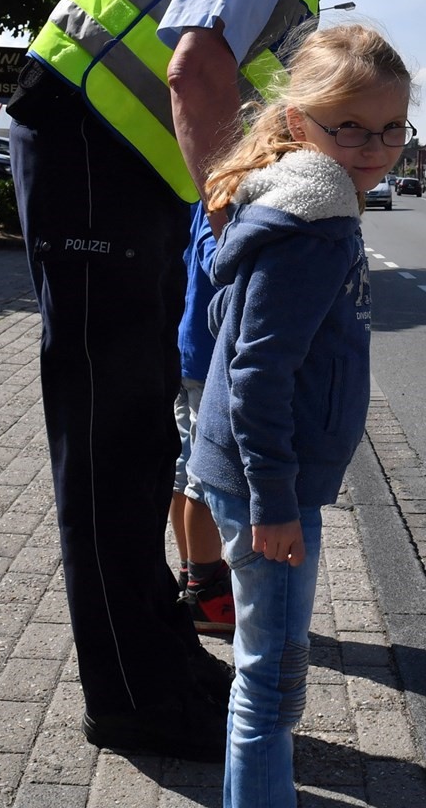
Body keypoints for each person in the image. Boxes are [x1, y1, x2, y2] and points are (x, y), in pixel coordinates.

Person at [5, 0, 426, 761]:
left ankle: (159, 664)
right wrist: (226, 216)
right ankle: (135, 697)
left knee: (135, 436)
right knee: (109, 443)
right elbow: (197, 68)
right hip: (93, 155)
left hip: (118, 171)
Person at [188, 22, 411, 807]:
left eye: (390, 128)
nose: (373, 147)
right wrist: (274, 502)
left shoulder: (296, 198)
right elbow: (258, 370)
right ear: (296, 122)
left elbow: (230, 333)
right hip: (266, 493)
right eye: (347, 126)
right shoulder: (314, 225)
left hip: (250, 477)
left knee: (269, 669)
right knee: (272, 681)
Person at [171, 203, 233, 636]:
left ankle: (192, 576)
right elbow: (218, 264)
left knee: (185, 469)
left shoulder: (205, 192)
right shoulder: (226, 198)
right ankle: (205, 590)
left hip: (190, 349)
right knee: (203, 478)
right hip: (210, 357)